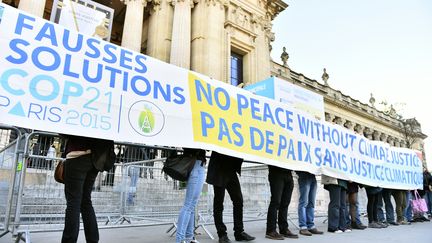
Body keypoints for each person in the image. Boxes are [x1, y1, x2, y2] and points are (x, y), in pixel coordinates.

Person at [61, 135, 114, 243]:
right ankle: (93, 239)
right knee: (85, 201)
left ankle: (69, 240)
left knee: (74, 201)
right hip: (95, 158)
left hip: (77, 154)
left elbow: (64, 132)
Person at [206, 151, 255, 243]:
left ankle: (239, 232)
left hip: (231, 169)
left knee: (238, 201)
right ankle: (222, 234)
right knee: (219, 203)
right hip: (219, 169)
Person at [175, 148, 207, 243]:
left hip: (196, 164)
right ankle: (180, 239)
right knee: (189, 205)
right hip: (196, 164)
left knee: (191, 205)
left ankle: (189, 237)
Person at [265, 166, 298, 240]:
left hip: (289, 173)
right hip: (276, 171)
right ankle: (271, 230)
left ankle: (283, 229)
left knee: (285, 203)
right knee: (275, 202)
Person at [296, 171, 323, 236]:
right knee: (304, 202)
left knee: (311, 203)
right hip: (304, 174)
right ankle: (303, 227)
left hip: (313, 175)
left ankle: (311, 225)